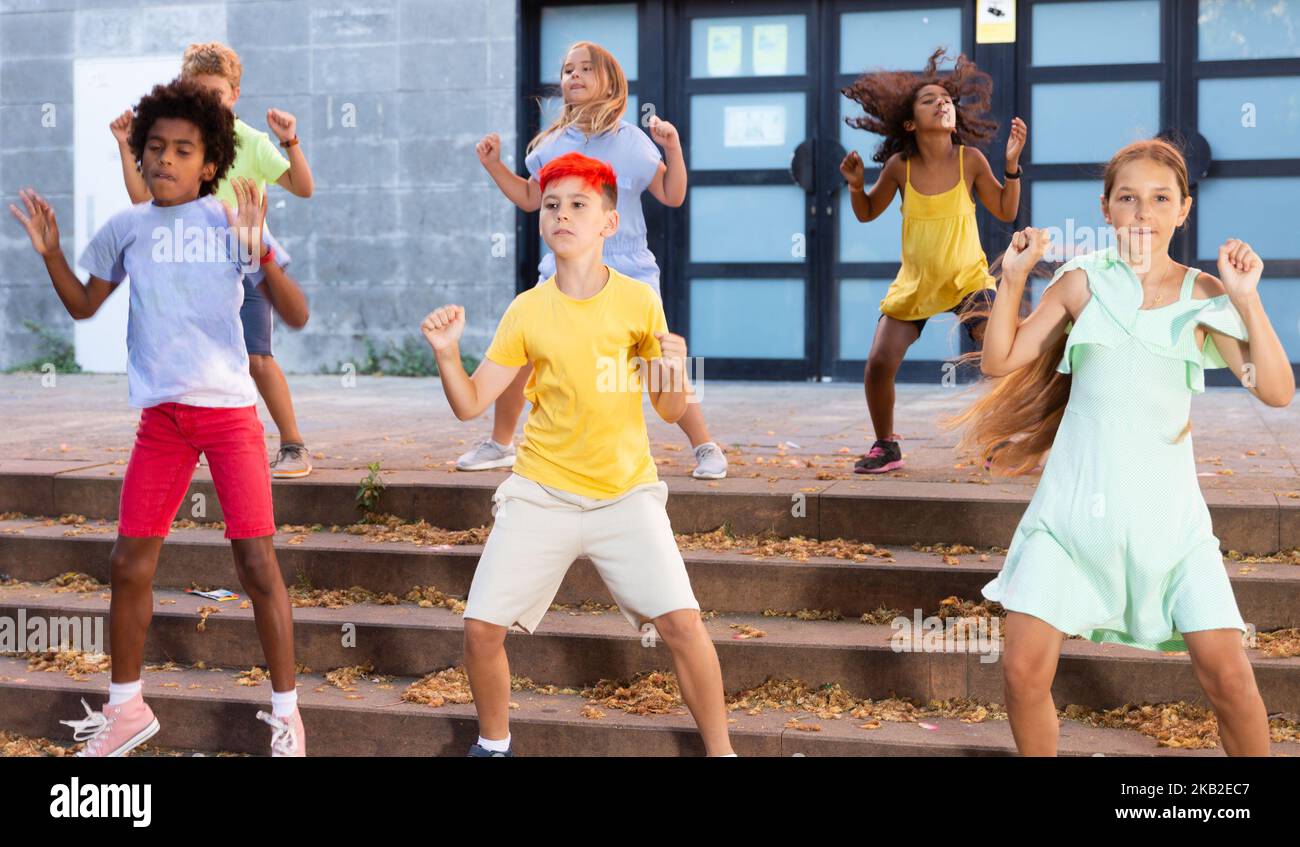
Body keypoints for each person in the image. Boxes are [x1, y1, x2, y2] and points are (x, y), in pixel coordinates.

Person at [944, 137, 1294, 756]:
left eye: (1160, 199)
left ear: (1183, 210)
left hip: (1172, 531)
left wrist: (1247, 299)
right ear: (1105, 209)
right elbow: (1000, 359)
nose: (1143, 212)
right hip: (1072, 525)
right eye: (1128, 198)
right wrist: (1014, 277)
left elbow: (1275, 390)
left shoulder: (1205, 297)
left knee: (1232, 681)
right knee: (1022, 672)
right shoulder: (1082, 285)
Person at [10, 78, 311, 757]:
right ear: (140, 157)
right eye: (154, 148)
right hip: (162, 423)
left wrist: (258, 246)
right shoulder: (128, 228)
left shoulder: (231, 221)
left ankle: (289, 715)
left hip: (230, 416)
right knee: (128, 563)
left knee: (256, 561)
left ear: (211, 163)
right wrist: (52, 253)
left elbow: (295, 314)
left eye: (183, 149)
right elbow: (86, 305)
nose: (166, 160)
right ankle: (127, 709)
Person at [421, 152, 734, 757]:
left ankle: (722, 752)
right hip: (542, 491)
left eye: (579, 204)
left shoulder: (639, 302)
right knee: (481, 630)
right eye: (553, 204)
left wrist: (671, 369)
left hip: (625, 493)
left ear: (608, 224)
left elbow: (669, 412)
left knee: (683, 625)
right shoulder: (527, 309)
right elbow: (471, 404)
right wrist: (445, 352)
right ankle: (493, 744)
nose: (563, 214)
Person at [464, 40, 727, 480]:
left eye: (586, 69)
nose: (575, 76)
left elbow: (672, 194)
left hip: (629, 266)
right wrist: (494, 166)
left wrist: (674, 149)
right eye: (568, 70)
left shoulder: (633, 143)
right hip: (566, 264)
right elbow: (532, 198)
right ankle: (500, 442)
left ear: (611, 82)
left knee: (659, 358)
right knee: (524, 351)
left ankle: (704, 445)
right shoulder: (550, 145)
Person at [110, 41, 316, 478]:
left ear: (234, 94)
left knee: (257, 356)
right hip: (192, 270)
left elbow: (303, 186)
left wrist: (290, 140)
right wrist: (124, 148)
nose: (209, 102)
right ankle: (191, 444)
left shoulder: (251, 142)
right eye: (198, 93)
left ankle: (293, 444)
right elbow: (140, 196)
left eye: (217, 93)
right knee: (186, 360)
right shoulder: (182, 145)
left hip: (247, 260)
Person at [840, 47, 1025, 472]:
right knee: (879, 363)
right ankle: (886, 445)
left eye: (947, 99)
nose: (942, 103)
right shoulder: (899, 167)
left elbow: (1005, 210)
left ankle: (1008, 436)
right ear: (910, 122)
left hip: (968, 279)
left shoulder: (970, 160)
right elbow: (867, 213)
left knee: (1003, 354)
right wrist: (855, 186)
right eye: (930, 100)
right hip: (917, 283)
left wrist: (1011, 165)